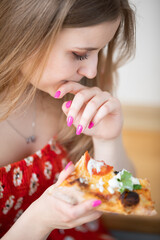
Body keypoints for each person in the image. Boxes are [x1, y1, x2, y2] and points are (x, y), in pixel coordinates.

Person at [0, 0, 136, 239]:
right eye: (79, 54)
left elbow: (126, 204)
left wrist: (108, 140)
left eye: (98, 51)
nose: (91, 72)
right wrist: (40, 220)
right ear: (24, 36)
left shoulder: (71, 102)